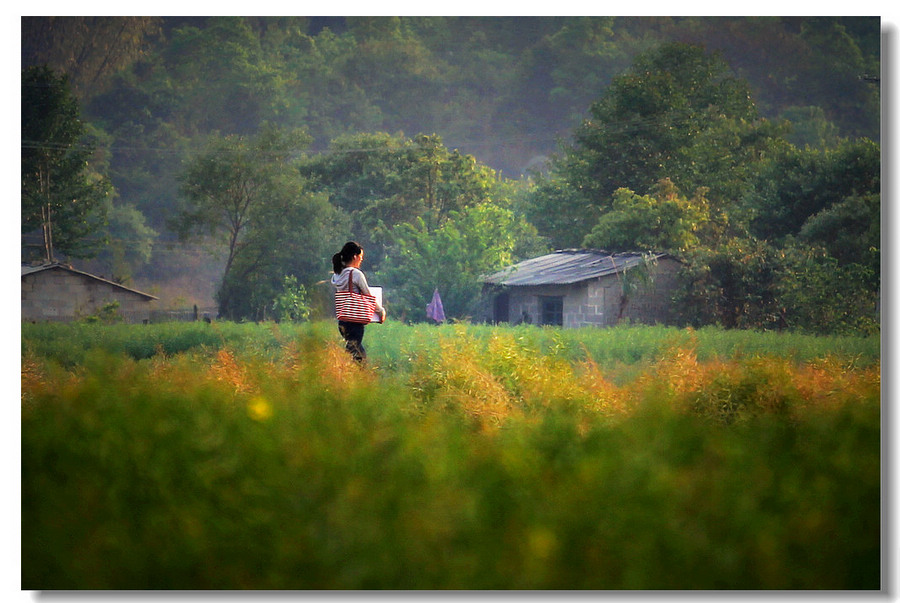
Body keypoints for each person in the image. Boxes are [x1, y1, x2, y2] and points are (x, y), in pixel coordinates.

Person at [331, 241, 385, 362]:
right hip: (355, 321)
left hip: (343, 321)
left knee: (354, 350)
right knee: (357, 355)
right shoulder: (355, 274)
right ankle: (347, 373)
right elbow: (368, 296)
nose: (361, 259)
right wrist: (380, 311)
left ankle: (345, 373)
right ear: (355, 256)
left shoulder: (337, 274)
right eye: (360, 257)